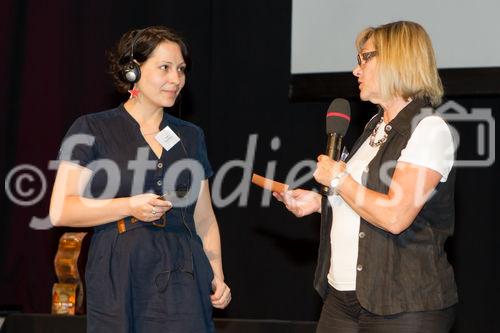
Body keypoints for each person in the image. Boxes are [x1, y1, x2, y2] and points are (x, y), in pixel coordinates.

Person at [274, 21, 457, 332]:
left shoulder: (429, 128)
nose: (356, 70)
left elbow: (395, 216)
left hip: (403, 303)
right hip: (343, 297)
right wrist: (321, 203)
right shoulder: (375, 125)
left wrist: (338, 181)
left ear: (397, 59)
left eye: (364, 58)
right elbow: (364, 197)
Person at [49, 26, 230, 332]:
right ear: (133, 70)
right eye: (165, 68)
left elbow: (204, 218)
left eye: (181, 69)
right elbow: (61, 210)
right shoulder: (92, 129)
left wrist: (217, 274)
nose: (176, 79)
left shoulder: (191, 136)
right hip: (120, 270)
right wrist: (129, 205)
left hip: (185, 275)